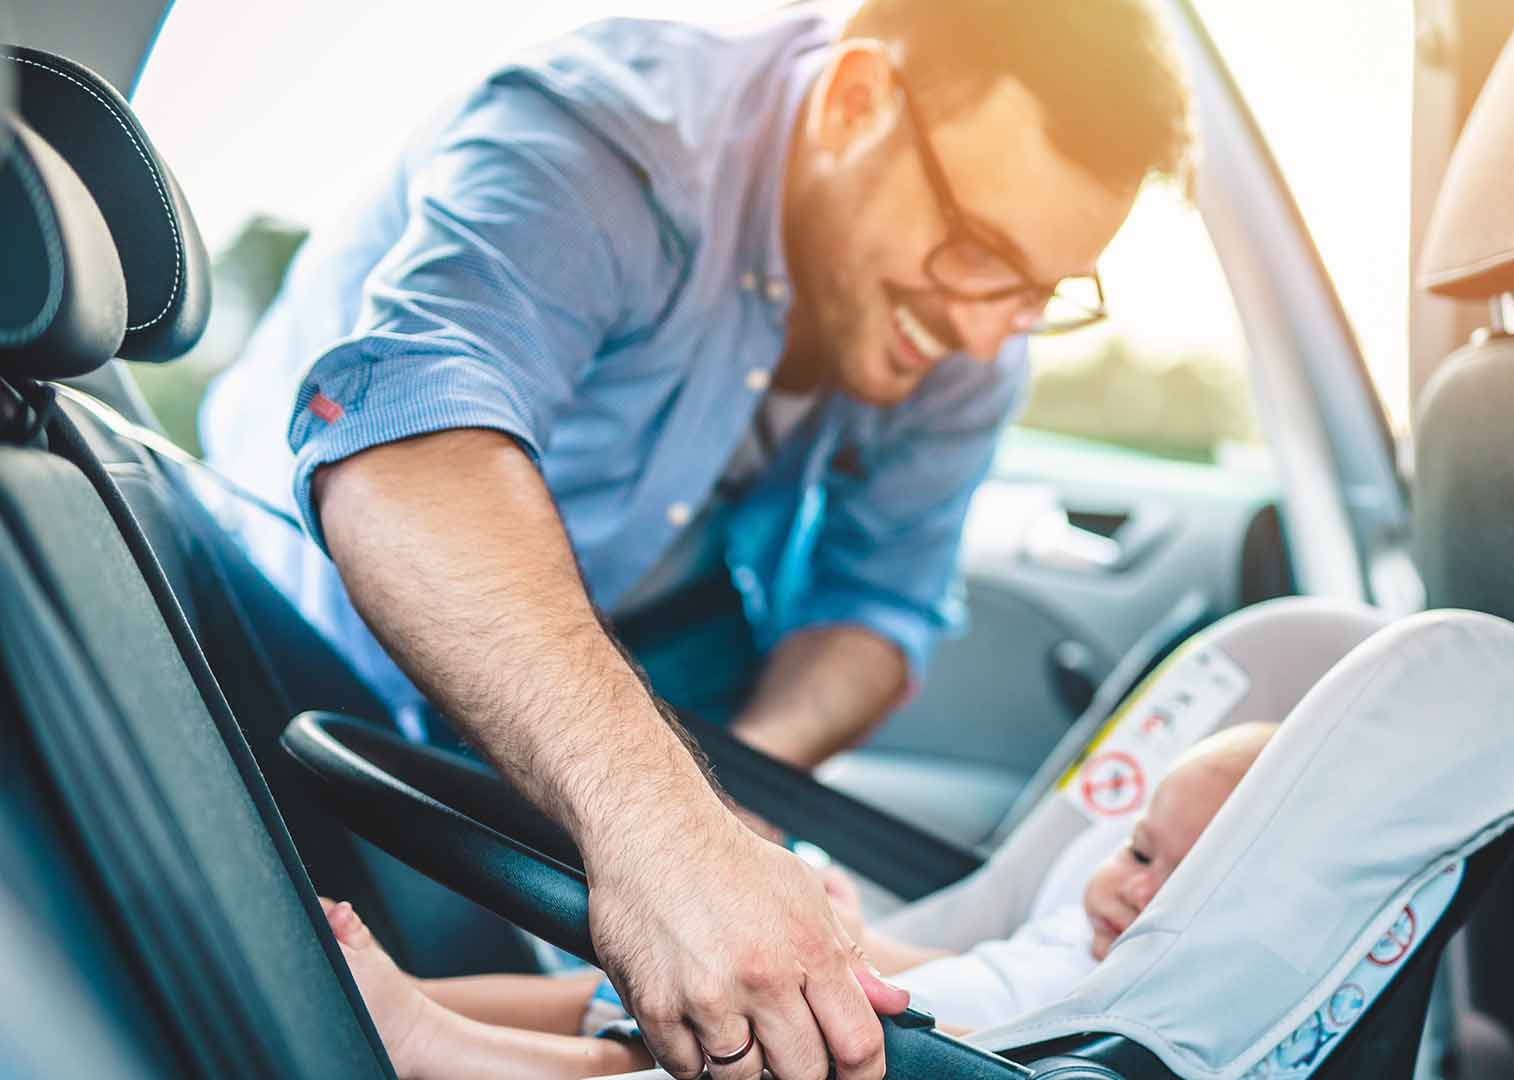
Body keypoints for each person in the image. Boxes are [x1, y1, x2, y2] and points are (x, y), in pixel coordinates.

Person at [199, 1, 1192, 1075]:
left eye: (1043, 289)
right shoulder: (607, 139)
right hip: (314, 618)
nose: (991, 329)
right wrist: (662, 833)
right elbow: (402, 448)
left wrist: (731, 812)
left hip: (632, 623)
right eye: (980, 253)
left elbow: (875, 609)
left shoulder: (970, 338)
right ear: (857, 102)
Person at [325, 725, 1278, 1078]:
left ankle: (435, 1047)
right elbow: (956, 974)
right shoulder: (1080, 929)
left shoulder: (1136, 1010)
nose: (1135, 888)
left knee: (614, 1056)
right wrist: (854, 940)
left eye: (1175, 883)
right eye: (1138, 849)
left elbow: (969, 1019)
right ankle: (389, 997)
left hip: (846, 1056)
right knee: (598, 995)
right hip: (859, 1005)